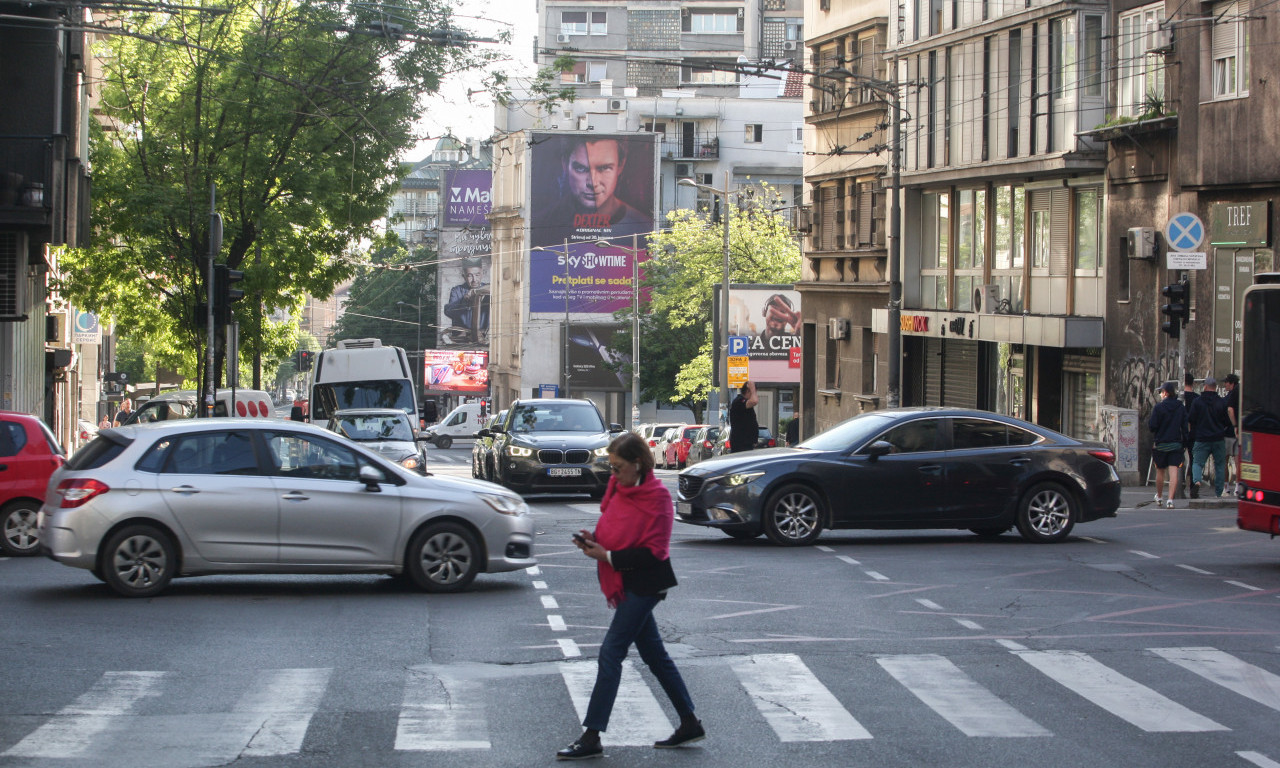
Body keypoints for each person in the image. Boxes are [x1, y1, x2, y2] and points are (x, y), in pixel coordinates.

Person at [557, 433, 702, 760]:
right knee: (655, 656)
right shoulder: (618, 489)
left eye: (619, 467)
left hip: (646, 584)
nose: (613, 474)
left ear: (638, 464)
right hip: (624, 581)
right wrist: (592, 540)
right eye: (611, 467)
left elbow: (655, 553)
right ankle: (690, 721)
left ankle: (592, 736)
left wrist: (607, 556)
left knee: (611, 652)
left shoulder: (659, 498)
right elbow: (614, 529)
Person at [543, 137, 653, 244]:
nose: (592, 182)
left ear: (621, 165)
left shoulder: (646, 230)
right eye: (581, 169)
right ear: (565, 164)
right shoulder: (542, 226)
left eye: (604, 168)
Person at [1188, 375, 1229, 498]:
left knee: (1197, 462)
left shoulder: (1197, 402)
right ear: (1215, 387)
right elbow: (1227, 422)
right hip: (1218, 439)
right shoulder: (1221, 402)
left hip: (1201, 438)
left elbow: (1191, 419)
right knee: (1220, 465)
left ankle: (1197, 481)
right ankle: (1218, 492)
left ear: (1205, 386)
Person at [1148, 381, 1187, 508]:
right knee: (1174, 471)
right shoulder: (1180, 407)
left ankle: (1159, 496)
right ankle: (1170, 500)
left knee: (1160, 471)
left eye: (1160, 392)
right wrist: (1184, 442)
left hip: (1161, 443)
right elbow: (1184, 427)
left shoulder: (1158, 408)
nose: (1160, 394)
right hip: (1176, 444)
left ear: (1165, 393)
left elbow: (1152, 426)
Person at [442, 260, 490, 339]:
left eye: (477, 275)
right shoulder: (457, 291)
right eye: (469, 276)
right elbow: (448, 311)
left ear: (482, 274)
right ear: (463, 276)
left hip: (484, 338)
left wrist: (477, 291)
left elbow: (496, 288)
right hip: (461, 338)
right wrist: (464, 300)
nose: (474, 279)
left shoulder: (489, 289)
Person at [728, 381, 759, 453]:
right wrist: (752, 388)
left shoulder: (745, 403)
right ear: (748, 391)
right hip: (741, 443)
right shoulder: (739, 401)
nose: (755, 395)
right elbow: (754, 401)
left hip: (747, 443)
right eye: (754, 392)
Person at [1222, 372, 1240, 492]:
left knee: (1225, 461)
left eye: (1226, 382)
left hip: (1229, 431)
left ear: (1232, 383)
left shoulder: (1230, 396)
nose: (1224, 385)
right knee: (1238, 461)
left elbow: (1229, 410)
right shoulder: (1241, 394)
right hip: (1238, 432)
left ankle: (1226, 487)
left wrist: (1234, 425)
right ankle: (1238, 487)